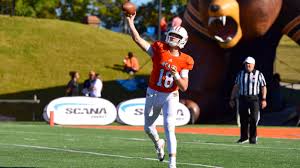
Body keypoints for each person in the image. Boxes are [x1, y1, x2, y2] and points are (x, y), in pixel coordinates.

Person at [126, 13, 194, 168]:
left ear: (182, 41)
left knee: (169, 126)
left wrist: (175, 74)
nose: (173, 38)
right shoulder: (159, 49)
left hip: (171, 94)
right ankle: (158, 143)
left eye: (177, 36)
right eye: (172, 34)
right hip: (153, 92)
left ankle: (172, 164)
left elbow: (184, 86)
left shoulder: (186, 60)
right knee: (148, 128)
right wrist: (131, 22)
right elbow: (138, 40)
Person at [229, 56, 267, 144]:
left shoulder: (259, 74)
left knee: (254, 118)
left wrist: (264, 99)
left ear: (253, 64)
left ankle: (253, 138)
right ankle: (244, 137)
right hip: (243, 98)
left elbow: (263, 87)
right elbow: (236, 87)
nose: (247, 65)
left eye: (249, 64)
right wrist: (232, 98)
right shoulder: (240, 74)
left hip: (254, 98)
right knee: (243, 119)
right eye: (246, 64)